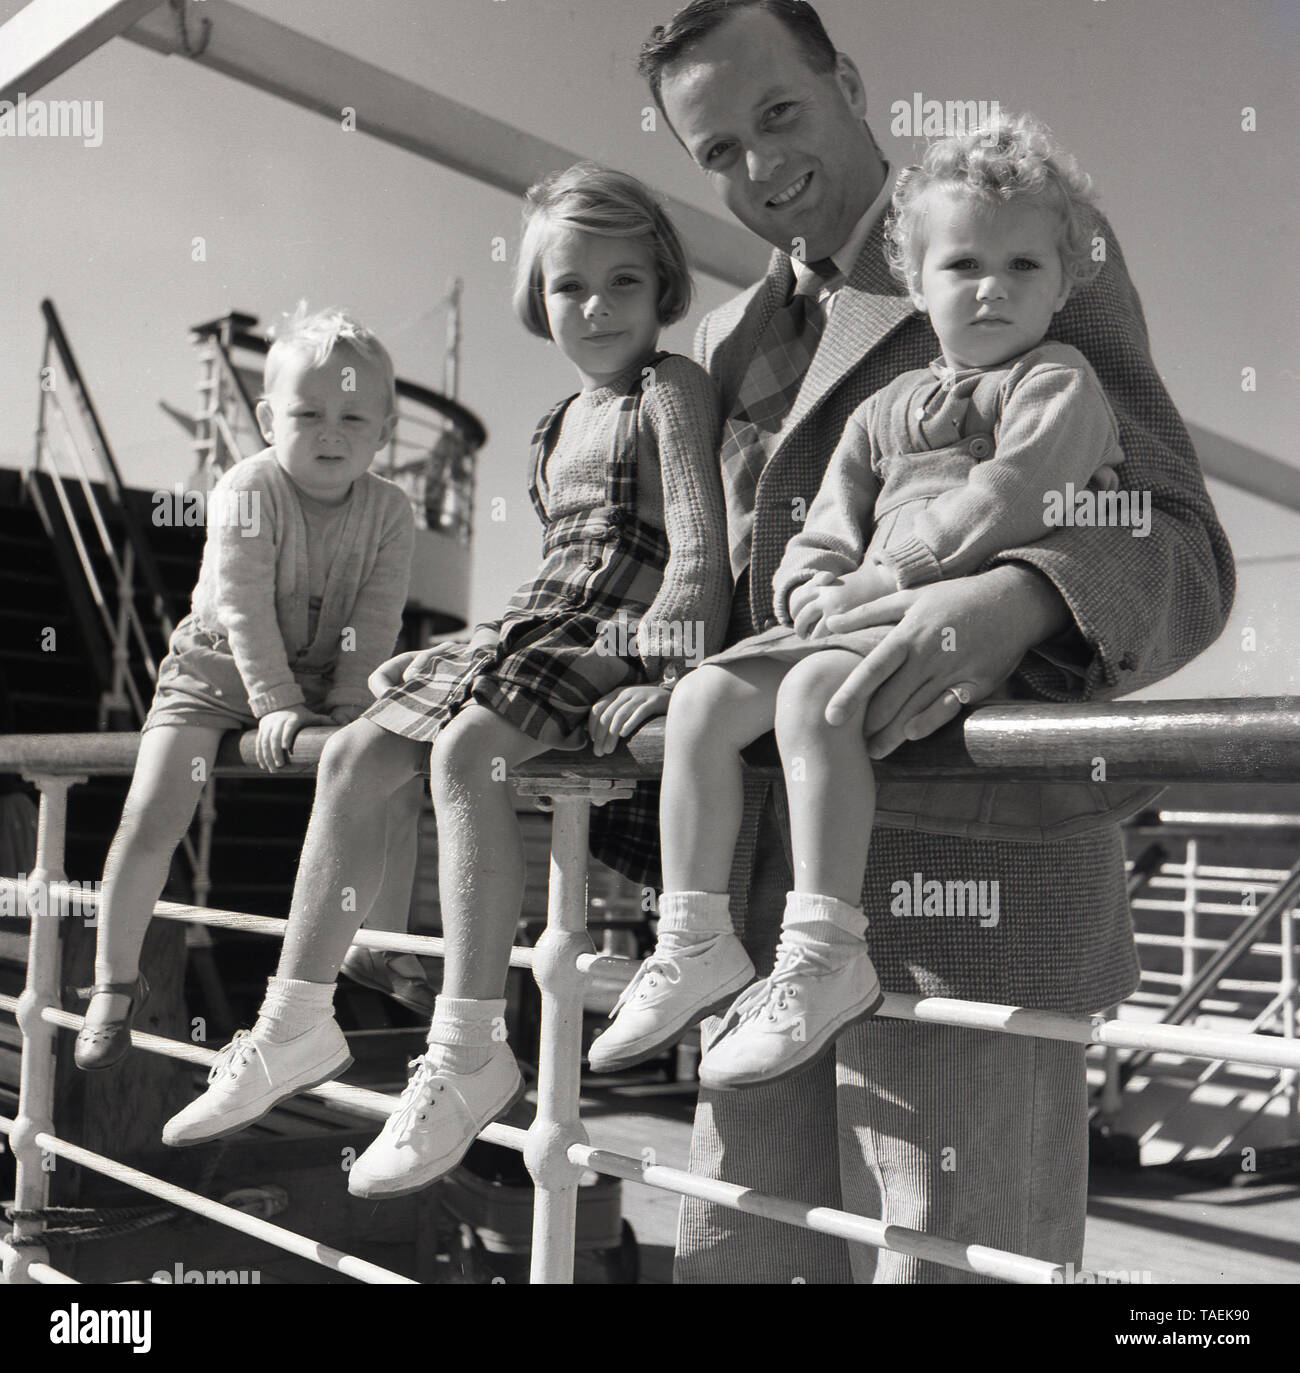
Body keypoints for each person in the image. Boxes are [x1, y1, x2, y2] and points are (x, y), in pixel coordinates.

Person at [600, 0, 1233, 1282]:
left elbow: (1175, 536)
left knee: (944, 1269)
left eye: (778, 113)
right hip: (758, 911)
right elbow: (722, 585)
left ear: (846, 78)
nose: (759, 166)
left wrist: (1018, 601)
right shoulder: (721, 343)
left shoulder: (1018, 235)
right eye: (716, 150)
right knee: (739, 1261)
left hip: (975, 888)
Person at [161, 164, 732, 1201]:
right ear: (538, 296)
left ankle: (470, 1041)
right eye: (569, 287)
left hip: (618, 617)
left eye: (622, 284)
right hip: (541, 612)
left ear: (663, 292)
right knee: (355, 751)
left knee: (469, 755)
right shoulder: (554, 423)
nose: (594, 307)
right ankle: (296, 1014)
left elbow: (696, 545)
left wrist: (672, 665)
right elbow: (559, 555)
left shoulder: (671, 389)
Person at [591, 111, 1127, 1087]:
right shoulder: (886, 411)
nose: (994, 288)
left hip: (943, 623)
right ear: (917, 284)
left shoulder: (1057, 381)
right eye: (964, 265)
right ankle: (692, 933)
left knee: (811, 701)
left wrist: (892, 574)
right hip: (852, 616)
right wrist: (811, 586)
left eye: (1023, 267)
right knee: (705, 700)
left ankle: (828, 949)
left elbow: (1013, 497)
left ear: (1064, 280)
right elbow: (825, 525)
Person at [74, 305, 416, 1071]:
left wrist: (347, 704)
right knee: (153, 810)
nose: (331, 432)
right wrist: (276, 707)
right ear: (268, 419)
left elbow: (376, 612)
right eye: (308, 413)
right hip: (219, 666)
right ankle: (113, 984)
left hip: (327, 671)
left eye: (354, 416)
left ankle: (373, 943)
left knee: (394, 770)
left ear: (384, 432)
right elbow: (243, 606)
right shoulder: (247, 487)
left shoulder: (391, 511)